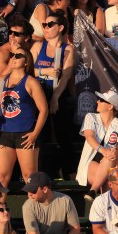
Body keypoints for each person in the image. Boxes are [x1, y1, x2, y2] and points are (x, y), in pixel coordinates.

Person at [31, 11, 76, 179]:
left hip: (56, 93)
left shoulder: (68, 49)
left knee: (63, 133)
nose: (46, 28)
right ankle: (38, 175)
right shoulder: (38, 46)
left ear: (61, 27)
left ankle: (70, 174)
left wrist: (55, 97)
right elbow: (27, 71)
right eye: (44, 24)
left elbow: (65, 76)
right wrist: (45, 70)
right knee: (39, 135)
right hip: (37, 94)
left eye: (50, 24)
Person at [0, 46, 48, 190]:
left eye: (18, 56)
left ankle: (35, 210)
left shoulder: (31, 81)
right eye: (12, 55)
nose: (13, 58)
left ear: (27, 62)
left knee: (29, 177)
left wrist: (35, 134)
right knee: (1, 177)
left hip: (25, 133)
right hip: (4, 132)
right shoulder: (2, 81)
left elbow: (44, 110)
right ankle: (0, 210)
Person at [75, 89, 118, 196]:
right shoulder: (91, 117)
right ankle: (102, 201)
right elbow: (89, 137)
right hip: (91, 165)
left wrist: (116, 153)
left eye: (101, 100)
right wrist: (104, 151)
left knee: (110, 177)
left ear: (110, 106)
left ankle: (93, 192)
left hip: (113, 168)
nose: (97, 102)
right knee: (112, 178)